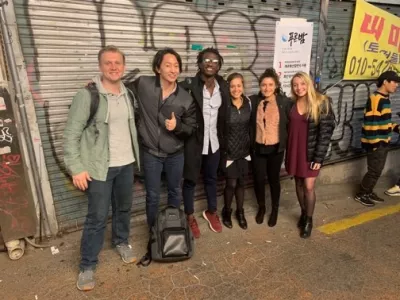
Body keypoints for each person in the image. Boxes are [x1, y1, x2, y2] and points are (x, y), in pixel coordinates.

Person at [64, 45, 141, 291]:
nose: (113, 67)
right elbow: (71, 135)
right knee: (97, 217)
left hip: (126, 164)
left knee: (124, 208)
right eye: (108, 63)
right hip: (99, 168)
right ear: (100, 67)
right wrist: (76, 168)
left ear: (124, 66)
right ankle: (87, 265)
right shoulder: (87, 96)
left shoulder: (128, 94)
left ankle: (121, 241)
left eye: (117, 63)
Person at [130, 48, 196, 228]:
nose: (173, 69)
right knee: (152, 195)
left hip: (175, 154)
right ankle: (153, 231)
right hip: (151, 153)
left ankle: (172, 228)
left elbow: (191, 128)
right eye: (168, 65)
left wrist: (178, 127)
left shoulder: (185, 98)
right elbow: (120, 89)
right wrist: (95, 87)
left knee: (175, 192)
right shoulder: (143, 84)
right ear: (158, 68)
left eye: (176, 66)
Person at [180, 48, 229, 238]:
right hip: (194, 143)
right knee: (190, 181)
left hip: (214, 143)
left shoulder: (222, 87)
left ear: (218, 66)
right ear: (200, 63)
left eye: (215, 61)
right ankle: (189, 216)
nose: (210, 63)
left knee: (211, 179)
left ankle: (211, 211)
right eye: (206, 60)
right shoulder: (188, 85)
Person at [286, 71, 335, 238]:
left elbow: (326, 133)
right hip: (294, 150)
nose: (299, 88)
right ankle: (303, 212)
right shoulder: (291, 103)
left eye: (302, 84)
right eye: (295, 85)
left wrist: (318, 158)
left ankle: (309, 220)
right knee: (298, 184)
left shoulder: (322, 103)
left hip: (311, 152)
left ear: (309, 84)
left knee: (308, 186)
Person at [249, 68, 293, 227]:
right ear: (260, 86)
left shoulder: (284, 102)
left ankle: (274, 209)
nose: (266, 88)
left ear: (276, 86)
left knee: (274, 180)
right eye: (263, 85)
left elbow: (296, 118)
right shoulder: (254, 101)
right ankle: (262, 207)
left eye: (270, 85)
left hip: (276, 149)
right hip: (258, 149)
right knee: (259, 179)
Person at [355, 71, 399, 206]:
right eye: (394, 82)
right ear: (385, 82)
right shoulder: (376, 99)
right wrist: (375, 144)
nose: (396, 85)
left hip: (382, 141)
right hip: (376, 143)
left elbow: (383, 121)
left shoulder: (385, 99)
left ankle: (368, 191)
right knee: (374, 171)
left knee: (377, 170)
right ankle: (361, 194)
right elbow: (371, 123)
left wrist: (396, 128)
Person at [220, 73, 252, 229]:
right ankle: (226, 211)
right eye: (232, 86)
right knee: (231, 184)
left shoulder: (248, 103)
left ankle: (240, 212)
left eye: (239, 85)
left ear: (243, 87)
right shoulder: (224, 105)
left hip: (244, 152)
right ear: (228, 88)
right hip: (230, 153)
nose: (236, 89)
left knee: (241, 183)